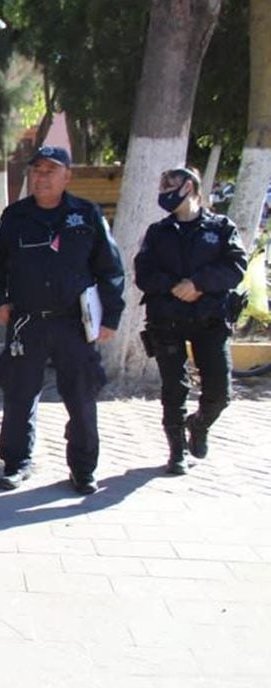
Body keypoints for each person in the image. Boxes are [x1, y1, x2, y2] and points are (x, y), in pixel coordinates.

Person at [0, 145, 125, 495]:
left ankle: (83, 468)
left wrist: (110, 317)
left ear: (67, 176)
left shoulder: (86, 214)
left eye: (50, 170)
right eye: (37, 170)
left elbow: (110, 268)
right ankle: (16, 462)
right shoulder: (15, 215)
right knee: (18, 396)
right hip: (26, 322)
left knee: (81, 397)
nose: (41, 176)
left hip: (73, 324)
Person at [135, 166, 246, 475]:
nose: (164, 190)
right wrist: (173, 285)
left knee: (220, 392)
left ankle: (199, 424)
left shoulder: (221, 228)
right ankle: (176, 452)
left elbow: (236, 266)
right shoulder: (158, 232)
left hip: (209, 318)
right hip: (167, 318)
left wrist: (199, 283)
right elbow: (143, 272)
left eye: (170, 183)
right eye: (162, 183)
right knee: (174, 388)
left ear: (190, 187)